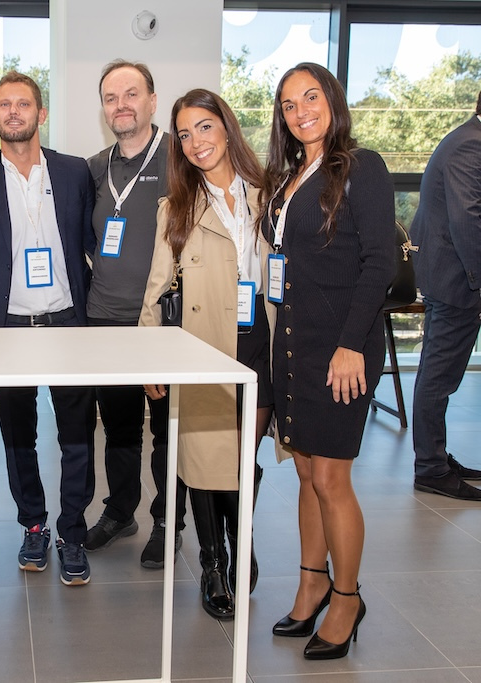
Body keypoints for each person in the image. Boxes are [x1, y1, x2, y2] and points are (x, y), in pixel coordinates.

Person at [260, 62, 394, 660]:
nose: (301, 111)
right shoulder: (290, 176)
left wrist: (350, 344)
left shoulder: (362, 168)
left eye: (311, 97)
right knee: (305, 473)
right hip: (296, 341)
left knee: (331, 478)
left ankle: (346, 598)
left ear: (332, 100)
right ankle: (311, 583)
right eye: (289, 104)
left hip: (342, 346)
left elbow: (380, 261)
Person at [0, 71, 97, 586]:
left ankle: (72, 533)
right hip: (8, 328)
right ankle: (33, 525)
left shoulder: (75, 172)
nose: (14, 112)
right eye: (5, 105)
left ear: (42, 113)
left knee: (76, 436)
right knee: (19, 438)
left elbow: (91, 247)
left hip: (67, 322)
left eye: (24, 104)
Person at [140, 89, 272, 620]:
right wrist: (151, 357)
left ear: (226, 126)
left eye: (205, 127)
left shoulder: (270, 194)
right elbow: (156, 285)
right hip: (202, 341)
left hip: (260, 335)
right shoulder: (176, 208)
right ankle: (214, 563)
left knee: (240, 454)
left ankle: (242, 540)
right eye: (185, 134)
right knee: (202, 454)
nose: (196, 141)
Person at [83, 59, 187, 568]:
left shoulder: (179, 158)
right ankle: (120, 510)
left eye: (131, 94)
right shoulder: (93, 167)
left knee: (167, 428)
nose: (121, 105)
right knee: (119, 426)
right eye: (111, 97)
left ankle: (168, 520)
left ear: (151, 101)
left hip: (161, 322)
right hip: (104, 317)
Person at [409, 91, 481, 501]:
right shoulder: (471, 146)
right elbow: (468, 221)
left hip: (448, 271)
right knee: (439, 377)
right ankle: (431, 468)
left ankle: (434, 458)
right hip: (457, 277)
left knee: (437, 373)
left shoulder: (467, 138)